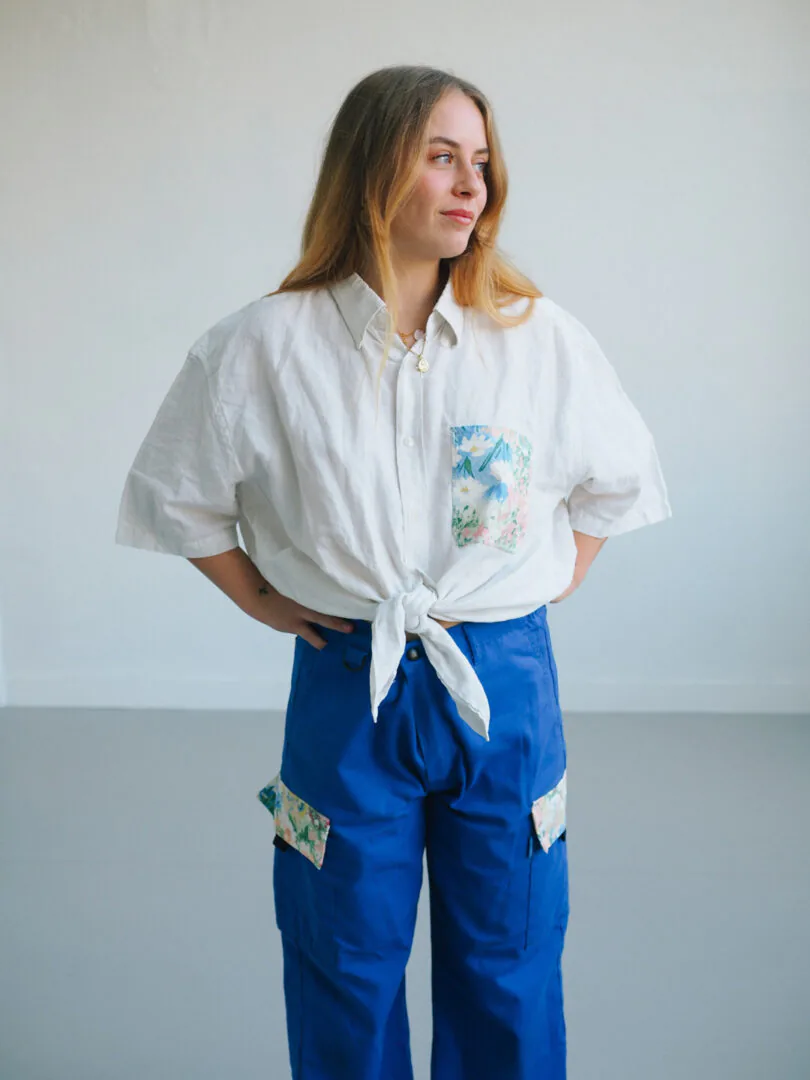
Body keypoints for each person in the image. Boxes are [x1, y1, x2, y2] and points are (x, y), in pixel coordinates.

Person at [115, 64, 671, 1080]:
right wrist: (263, 599)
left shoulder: (536, 340)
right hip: (347, 682)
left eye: (482, 162)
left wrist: (541, 588)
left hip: (502, 685)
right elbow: (179, 496)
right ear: (373, 168)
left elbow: (618, 481)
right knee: (341, 957)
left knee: (510, 957)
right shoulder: (263, 346)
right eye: (442, 157)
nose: (472, 185)